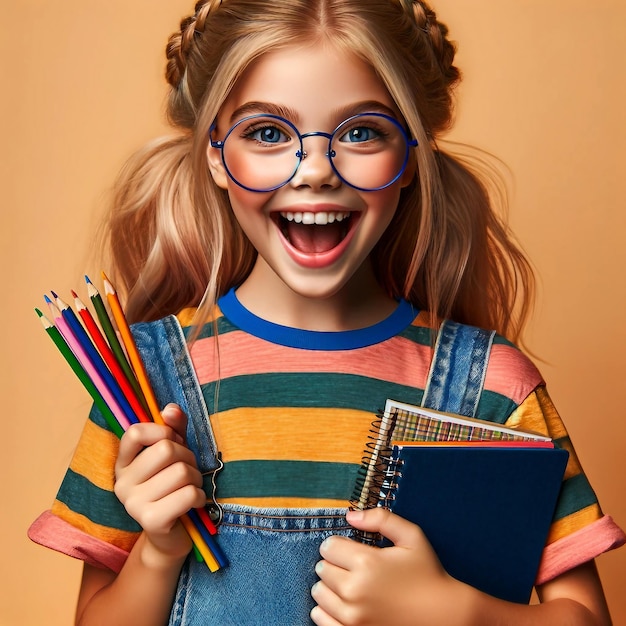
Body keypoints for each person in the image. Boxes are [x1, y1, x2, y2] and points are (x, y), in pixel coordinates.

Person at [28, 1, 625, 624]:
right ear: (215, 156)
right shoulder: (140, 385)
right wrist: (157, 550)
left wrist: (454, 611)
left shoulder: (493, 388)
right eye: (267, 133)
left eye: (363, 132)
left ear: (412, 155)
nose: (315, 171)